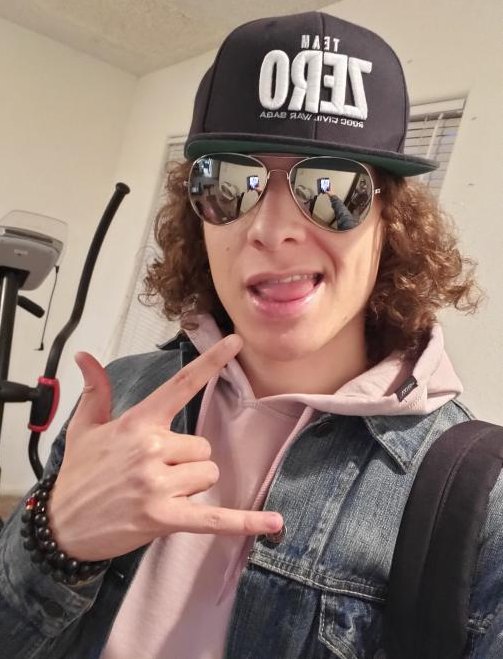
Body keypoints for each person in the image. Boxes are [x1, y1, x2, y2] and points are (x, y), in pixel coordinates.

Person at [0, 10, 501, 659]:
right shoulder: (120, 396)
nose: (272, 229)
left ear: (389, 220)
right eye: (230, 184)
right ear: (199, 217)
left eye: (331, 188)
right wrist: (55, 542)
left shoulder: (479, 503)